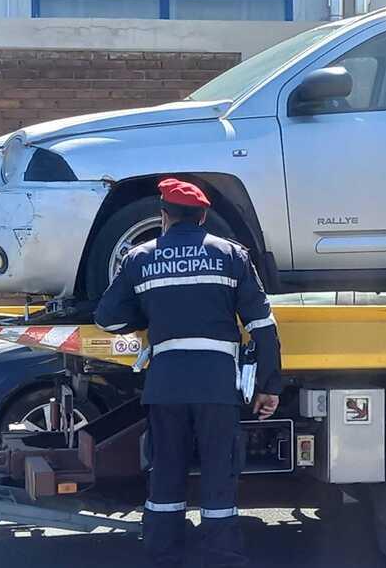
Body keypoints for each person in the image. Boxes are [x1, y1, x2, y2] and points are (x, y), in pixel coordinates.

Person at [94, 177, 283, 568]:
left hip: (165, 385)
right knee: (219, 472)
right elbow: (263, 326)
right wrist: (269, 384)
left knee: (165, 473)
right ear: (203, 217)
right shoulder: (231, 254)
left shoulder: (140, 258)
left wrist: (147, 313)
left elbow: (107, 320)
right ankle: (223, 556)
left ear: (164, 216)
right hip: (217, 385)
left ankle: (163, 554)